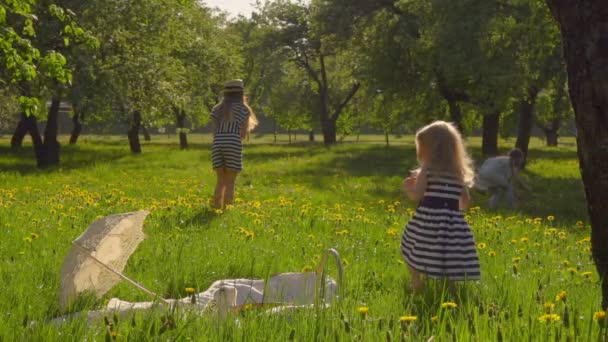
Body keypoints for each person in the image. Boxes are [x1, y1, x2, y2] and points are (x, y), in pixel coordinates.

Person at [400, 121, 481, 292]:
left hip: (427, 221)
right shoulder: (459, 173)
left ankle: (416, 281)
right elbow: (465, 200)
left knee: (409, 245)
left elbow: (418, 194)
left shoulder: (427, 170)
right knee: (448, 257)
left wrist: (408, 188)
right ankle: (450, 288)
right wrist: (456, 215)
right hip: (452, 223)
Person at [210, 79, 258, 209]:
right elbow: (242, 134)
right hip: (233, 142)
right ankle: (227, 208)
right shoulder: (243, 109)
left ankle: (216, 207)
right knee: (231, 180)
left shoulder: (217, 109)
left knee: (220, 179)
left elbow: (214, 131)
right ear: (241, 93)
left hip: (218, 143)